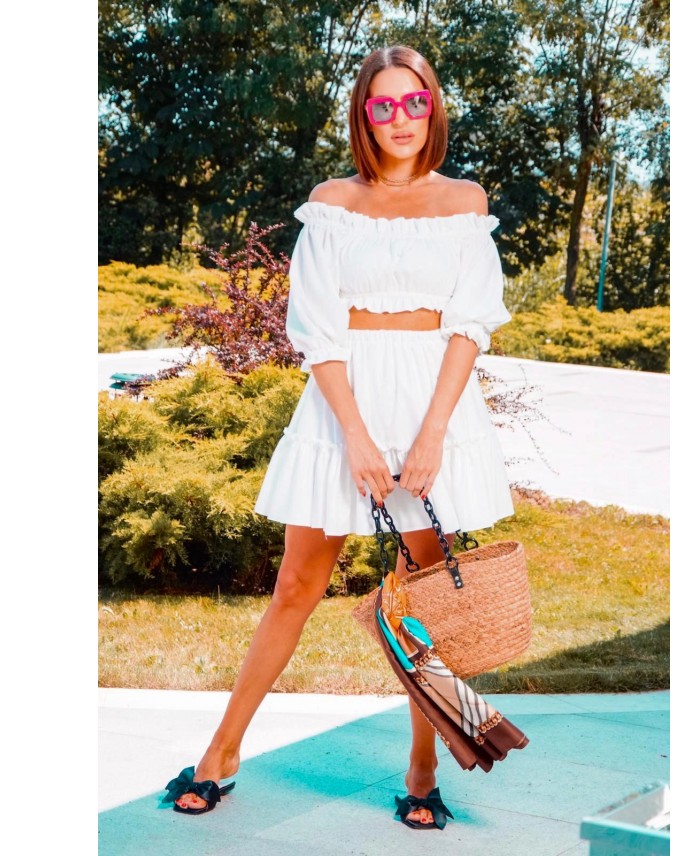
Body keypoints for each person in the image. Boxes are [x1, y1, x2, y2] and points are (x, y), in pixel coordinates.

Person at [162, 44, 520, 830]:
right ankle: (220, 752)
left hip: (432, 403)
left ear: (433, 106)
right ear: (365, 115)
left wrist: (431, 437)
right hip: (341, 402)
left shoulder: (464, 200)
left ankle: (424, 767)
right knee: (296, 585)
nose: (401, 118)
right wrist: (355, 436)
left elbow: (470, 326)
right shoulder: (332, 202)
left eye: (414, 101)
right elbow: (316, 327)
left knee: (424, 598)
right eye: (383, 105)